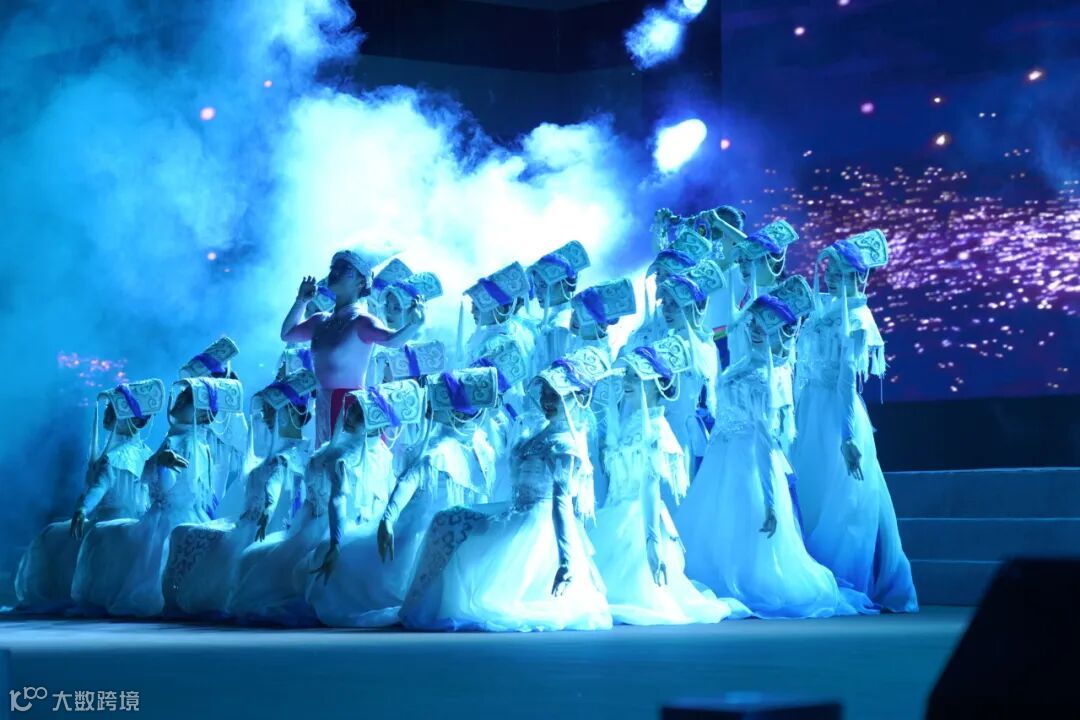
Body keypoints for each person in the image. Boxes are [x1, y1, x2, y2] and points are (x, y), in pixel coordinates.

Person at [678, 276, 873, 619]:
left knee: (748, 531)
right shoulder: (737, 369)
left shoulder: (769, 377)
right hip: (721, 461)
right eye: (754, 323)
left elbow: (766, 442)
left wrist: (771, 502)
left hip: (750, 464)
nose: (756, 330)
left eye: (765, 326)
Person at [400, 356, 612, 632]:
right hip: (517, 512)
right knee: (447, 518)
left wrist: (567, 561)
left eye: (556, 395)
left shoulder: (565, 446)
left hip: (536, 525)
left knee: (456, 528)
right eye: (545, 393)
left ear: (578, 398)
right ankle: (428, 602)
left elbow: (562, 504)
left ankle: (443, 605)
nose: (547, 401)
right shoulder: (540, 431)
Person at [790, 230, 918, 613]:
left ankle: (848, 576)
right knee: (812, 492)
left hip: (836, 413)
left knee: (845, 500)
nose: (833, 278)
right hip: (809, 410)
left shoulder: (859, 317)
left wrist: (847, 435)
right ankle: (812, 574)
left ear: (858, 277)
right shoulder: (820, 310)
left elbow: (847, 379)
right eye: (831, 271)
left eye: (843, 273)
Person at [305, 373, 495, 627]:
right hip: (422, 526)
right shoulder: (438, 453)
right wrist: (387, 519)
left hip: (439, 529)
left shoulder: (472, 448)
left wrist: (387, 519)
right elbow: (406, 483)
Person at [595, 337, 750, 625]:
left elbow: (650, 489)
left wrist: (652, 541)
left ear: (655, 384)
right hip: (615, 515)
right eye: (627, 375)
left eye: (636, 376)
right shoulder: (631, 422)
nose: (627, 381)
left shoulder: (655, 430)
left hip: (639, 521)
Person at [226, 385, 393, 625]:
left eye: (359, 413)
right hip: (321, 523)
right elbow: (330, 499)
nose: (350, 416)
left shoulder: (376, 455)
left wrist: (341, 539)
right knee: (262, 563)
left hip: (353, 523)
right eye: (352, 409)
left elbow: (356, 498)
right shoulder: (333, 454)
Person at [71, 378, 236, 616]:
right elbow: (146, 483)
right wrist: (159, 463)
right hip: (164, 513)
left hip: (168, 517)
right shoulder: (182, 443)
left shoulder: (187, 444)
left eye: (186, 399)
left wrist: (161, 466)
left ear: (201, 413)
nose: (179, 401)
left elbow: (167, 488)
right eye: (181, 396)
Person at [160, 370, 316, 618]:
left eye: (271, 410)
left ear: (289, 412)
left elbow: (277, 487)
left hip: (268, 525)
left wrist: (268, 511)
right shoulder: (274, 456)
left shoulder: (293, 457)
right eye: (265, 410)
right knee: (183, 533)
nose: (265, 416)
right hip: (248, 520)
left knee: (201, 541)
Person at [15, 380, 164, 612]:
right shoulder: (146, 454)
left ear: (131, 419)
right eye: (108, 408)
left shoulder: (114, 457)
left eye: (112, 409)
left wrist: (83, 508)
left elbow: (99, 487)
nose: (107, 413)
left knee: (52, 537)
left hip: (108, 520)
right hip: (135, 519)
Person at [280, 251, 426, 444]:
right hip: (323, 404)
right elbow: (287, 334)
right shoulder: (320, 320)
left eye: (344, 269)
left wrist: (414, 324)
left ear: (361, 282)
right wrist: (301, 301)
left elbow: (392, 341)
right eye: (334, 267)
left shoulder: (361, 321)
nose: (335, 272)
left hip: (350, 410)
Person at [646, 259, 728, 480]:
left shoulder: (699, 344)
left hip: (687, 430)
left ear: (693, 306)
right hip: (680, 429)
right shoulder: (702, 344)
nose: (667, 309)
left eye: (674, 304)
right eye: (665, 303)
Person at [179, 337, 248, 519]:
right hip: (195, 443)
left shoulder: (230, 407)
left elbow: (242, 442)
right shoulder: (196, 388)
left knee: (215, 488)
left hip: (218, 450)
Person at [463, 262, 538, 374]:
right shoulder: (522, 329)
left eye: (478, 306)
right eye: (473, 305)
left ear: (500, 308)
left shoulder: (499, 343)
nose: (472, 311)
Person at [527, 241, 591, 369]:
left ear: (565, 285)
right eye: (536, 285)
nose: (537, 292)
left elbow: (555, 371)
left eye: (543, 285)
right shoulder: (555, 319)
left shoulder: (561, 325)